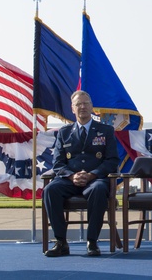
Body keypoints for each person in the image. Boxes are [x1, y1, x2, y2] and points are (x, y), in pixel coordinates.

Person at [43, 90, 120, 257]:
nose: (83, 107)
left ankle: (92, 241)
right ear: (72, 108)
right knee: (50, 190)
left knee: (99, 189)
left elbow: (112, 161)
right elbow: (57, 163)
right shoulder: (64, 132)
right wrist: (71, 175)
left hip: (95, 180)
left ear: (92, 107)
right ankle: (61, 242)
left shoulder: (105, 130)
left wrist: (92, 174)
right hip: (69, 180)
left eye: (86, 103)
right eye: (78, 104)